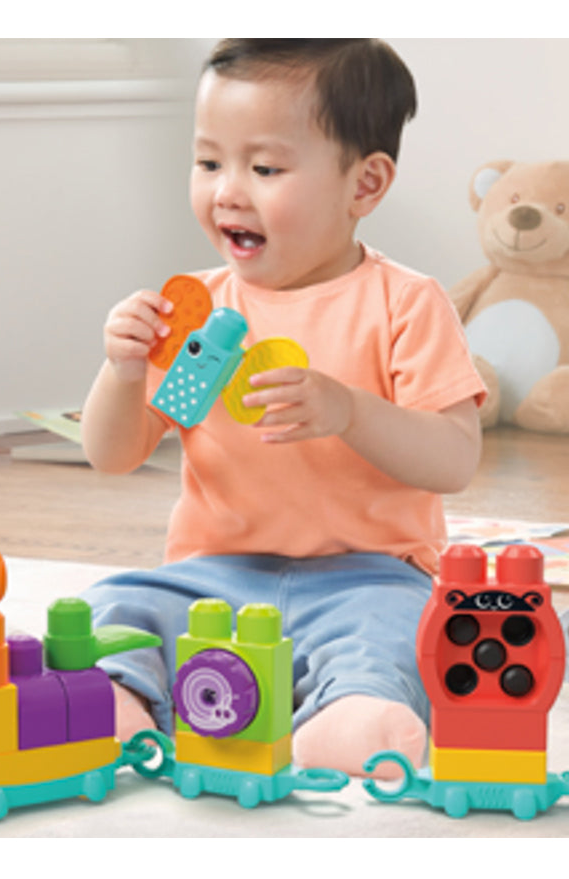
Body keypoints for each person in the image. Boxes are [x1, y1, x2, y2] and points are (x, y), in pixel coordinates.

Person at [80, 39, 486, 777]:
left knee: (411, 631)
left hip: (369, 576)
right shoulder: (200, 316)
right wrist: (122, 369)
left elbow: (454, 459)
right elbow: (113, 455)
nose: (228, 192)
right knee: (117, 606)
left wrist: (351, 411)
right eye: (209, 162)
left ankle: (351, 715)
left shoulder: (405, 304)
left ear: (365, 185)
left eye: (264, 169)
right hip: (214, 577)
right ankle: (119, 702)